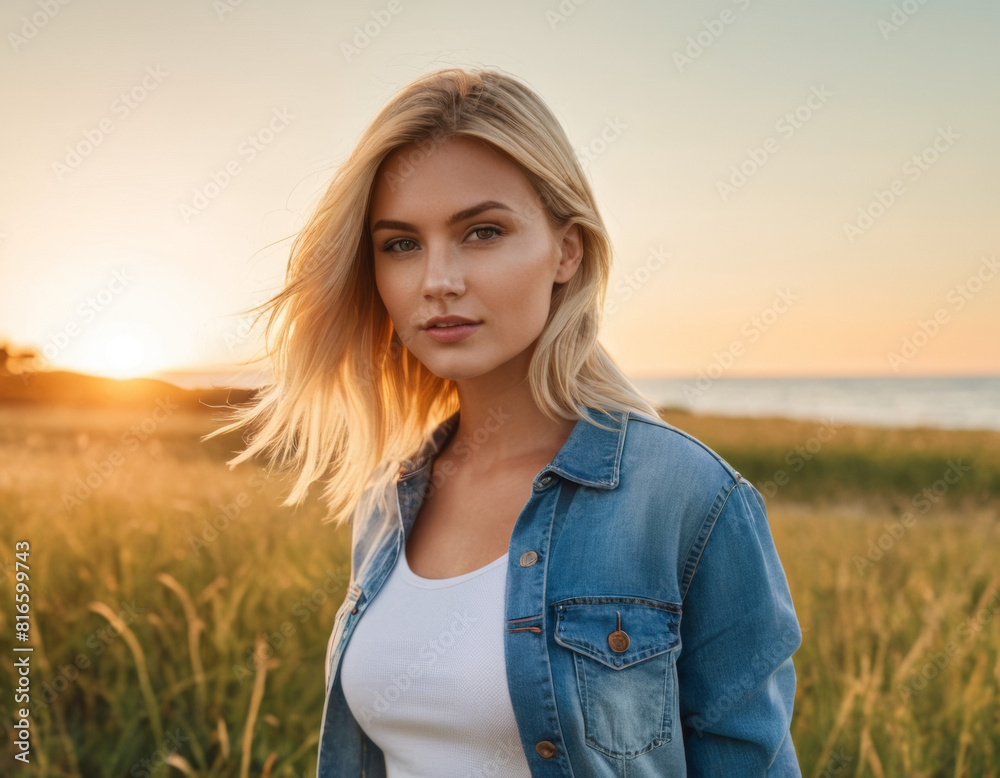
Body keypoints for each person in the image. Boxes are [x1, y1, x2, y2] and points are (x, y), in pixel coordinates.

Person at [208, 66, 802, 776]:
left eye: (482, 232)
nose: (438, 280)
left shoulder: (688, 500)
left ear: (566, 249)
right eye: (401, 244)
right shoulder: (387, 501)